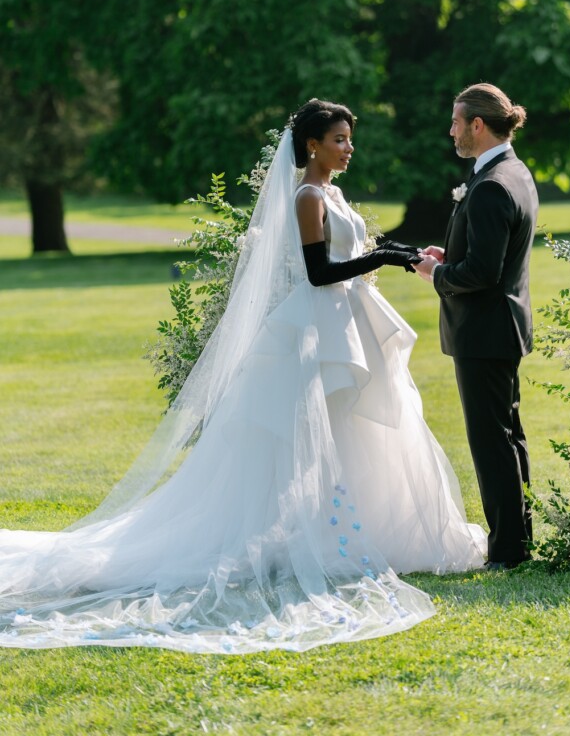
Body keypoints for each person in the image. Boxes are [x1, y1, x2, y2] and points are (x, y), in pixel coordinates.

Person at [0, 99, 485, 655]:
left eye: (350, 139)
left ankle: (345, 531)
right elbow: (319, 271)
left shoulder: (331, 193)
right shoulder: (306, 196)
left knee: (352, 433)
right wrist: (381, 262)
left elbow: (350, 249)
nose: (349, 148)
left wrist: (397, 253)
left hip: (341, 328)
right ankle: (310, 536)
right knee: (309, 440)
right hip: (311, 333)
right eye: (340, 140)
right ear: (312, 146)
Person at [415, 84, 539, 569]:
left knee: (491, 443)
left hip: (485, 331)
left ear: (478, 125)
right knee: (508, 436)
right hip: (502, 327)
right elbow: (492, 256)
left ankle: (507, 550)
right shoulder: (514, 172)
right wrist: (454, 255)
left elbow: (483, 275)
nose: (451, 131)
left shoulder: (489, 185)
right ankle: (518, 538)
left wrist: (437, 273)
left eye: (455, 122)